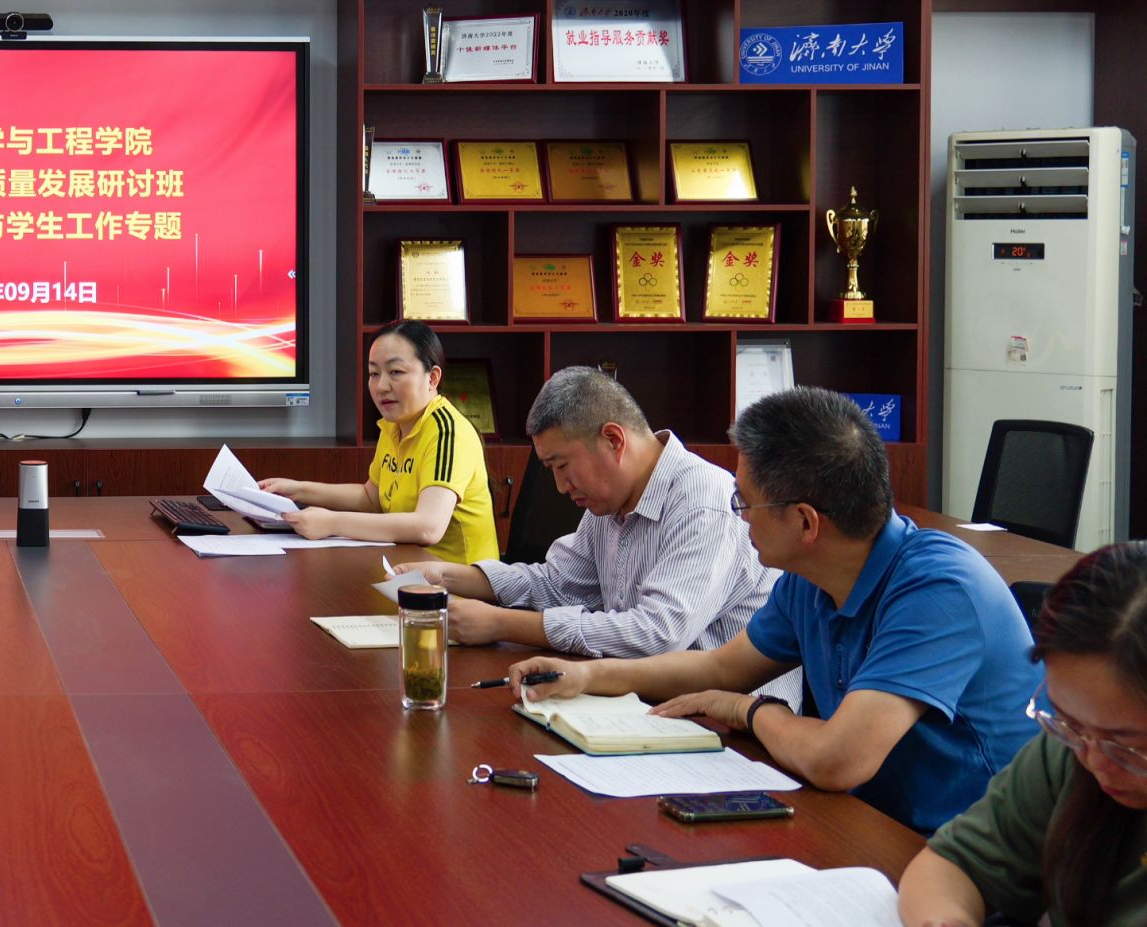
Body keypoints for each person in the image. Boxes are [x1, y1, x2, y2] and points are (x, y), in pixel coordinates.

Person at [506, 386, 1040, 833]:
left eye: (744, 501)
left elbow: (836, 760)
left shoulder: (939, 592)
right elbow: (720, 668)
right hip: (874, 822)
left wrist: (752, 711)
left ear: (806, 522)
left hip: (976, 858)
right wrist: (587, 676)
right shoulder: (812, 578)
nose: (738, 516)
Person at [394, 367, 784, 681]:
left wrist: (501, 624)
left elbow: (657, 635)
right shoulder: (612, 502)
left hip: (728, 726)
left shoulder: (704, 502)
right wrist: (449, 576)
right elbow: (558, 585)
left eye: (561, 466)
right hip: (638, 699)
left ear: (613, 440)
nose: (560, 486)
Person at [899, 543, 1147, 927]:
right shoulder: (1070, 750)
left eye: (1126, 744)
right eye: (1068, 721)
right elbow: (953, 865)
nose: (1094, 760)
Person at [259, 319, 498, 564]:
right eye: (374, 373)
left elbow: (428, 527)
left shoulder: (447, 432)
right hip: (408, 566)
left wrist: (332, 523)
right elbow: (371, 499)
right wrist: (297, 490)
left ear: (432, 378)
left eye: (396, 372)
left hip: (457, 580)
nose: (381, 386)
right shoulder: (394, 425)